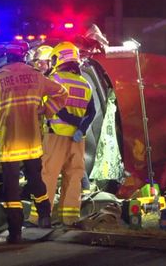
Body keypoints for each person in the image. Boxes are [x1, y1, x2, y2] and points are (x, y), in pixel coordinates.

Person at [0, 43, 68, 243]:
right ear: (24, 56)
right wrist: (46, 110)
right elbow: (62, 93)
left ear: (7, 57)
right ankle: (45, 217)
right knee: (36, 180)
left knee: (11, 189)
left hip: (9, 145)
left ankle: (15, 232)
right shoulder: (37, 76)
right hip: (32, 143)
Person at [39, 41, 96, 225]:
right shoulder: (85, 83)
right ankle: (70, 217)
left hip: (56, 134)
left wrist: (73, 121)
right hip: (78, 139)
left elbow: (53, 107)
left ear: (59, 58)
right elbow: (92, 112)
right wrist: (81, 127)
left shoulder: (56, 80)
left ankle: (41, 216)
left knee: (48, 174)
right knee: (74, 176)